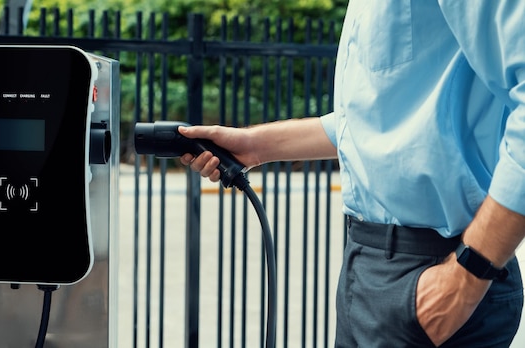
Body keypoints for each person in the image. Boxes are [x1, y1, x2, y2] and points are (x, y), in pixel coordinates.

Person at [178, 1, 525, 347]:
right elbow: (370, 125)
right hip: (369, 265)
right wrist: (254, 146)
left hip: (440, 270)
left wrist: (466, 279)